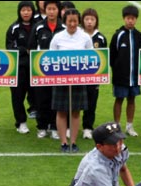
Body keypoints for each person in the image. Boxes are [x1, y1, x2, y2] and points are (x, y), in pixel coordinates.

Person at [50, 8, 93, 153]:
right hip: (61, 80)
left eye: (75, 21)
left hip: (78, 80)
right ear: (65, 22)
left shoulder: (85, 37)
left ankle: (73, 142)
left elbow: (91, 57)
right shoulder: (58, 37)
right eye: (70, 21)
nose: (73, 24)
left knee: (76, 112)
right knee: (61, 111)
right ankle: (63, 142)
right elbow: (50, 58)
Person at [28, 0, 64, 140]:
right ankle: (42, 127)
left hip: (59, 71)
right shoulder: (38, 27)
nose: (51, 11)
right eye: (49, 8)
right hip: (41, 71)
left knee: (56, 99)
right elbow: (31, 47)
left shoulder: (63, 27)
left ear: (58, 10)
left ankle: (55, 127)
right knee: (42, 99)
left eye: (54, 9)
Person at [109, 5, 141, 137]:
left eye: (133, 18)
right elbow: (112, 55)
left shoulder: (139, 36)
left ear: (136, 19)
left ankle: (129, 125)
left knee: (132, 99)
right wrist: (117, 70)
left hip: (134, 76)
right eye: (128, 18)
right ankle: (116, 126)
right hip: (120, 76)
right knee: (119, 99)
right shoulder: (118, 35)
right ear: (124, 18)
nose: (130, 21)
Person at [6, 1, 36, 135]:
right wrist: (25, 50)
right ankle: (21, 122)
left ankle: (43, 124)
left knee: (38, 96)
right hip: (19, 68)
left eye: (28, 10)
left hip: (36, 68)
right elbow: (10, 47)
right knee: (18, 96)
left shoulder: (38, 26)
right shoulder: (14, 28)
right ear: (19, 12)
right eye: (23, 10)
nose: (26, 13)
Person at [80, 8, 107, 140]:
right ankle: (69, 127)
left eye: (92, 19)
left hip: (93, 77)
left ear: (96, 21)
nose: (89, 22)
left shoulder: (100, 38)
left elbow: (104, 58)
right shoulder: (78, 35)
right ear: (82, 21)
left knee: (91, 103)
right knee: (75, 101)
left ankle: (87, 127)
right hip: (78, 76)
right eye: (87, 19)